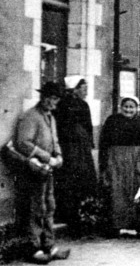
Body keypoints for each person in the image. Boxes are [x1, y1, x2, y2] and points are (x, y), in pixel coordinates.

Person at [14, 81, 71, 264]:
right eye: (51, 98)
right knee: (35, 208)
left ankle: (50, 246)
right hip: (33, 169)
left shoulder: (50, 117)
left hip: (48, 170)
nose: (54, 102)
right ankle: (34, 248)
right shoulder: (30, 116)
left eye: (56, 99)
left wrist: (59, 155)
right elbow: (23, 143)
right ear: (43, 97)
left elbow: (54, 140)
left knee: (49, 206)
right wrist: (47, 157)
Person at [99, 96, 140, 238]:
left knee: (137, 192)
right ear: (121, 107)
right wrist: (104, 162)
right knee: (116, 192)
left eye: (132, 107)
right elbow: (104, 142)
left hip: (137, 163)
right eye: (126, 106)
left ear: (137, 108)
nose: (128, 109)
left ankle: (139, 227)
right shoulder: (112, 121)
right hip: (116, 163)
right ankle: (116, 226)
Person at [53, 76, 97, 234]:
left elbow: (88, 127)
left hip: (81, 148)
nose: (86, 92)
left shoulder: (83, 105)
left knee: (81, 179)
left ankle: (80, 216)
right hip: (69, 147)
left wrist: (88, 144)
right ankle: (68, 215)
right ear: (74, 89)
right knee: (69, 178)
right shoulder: (64, 104)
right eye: (83, 88)